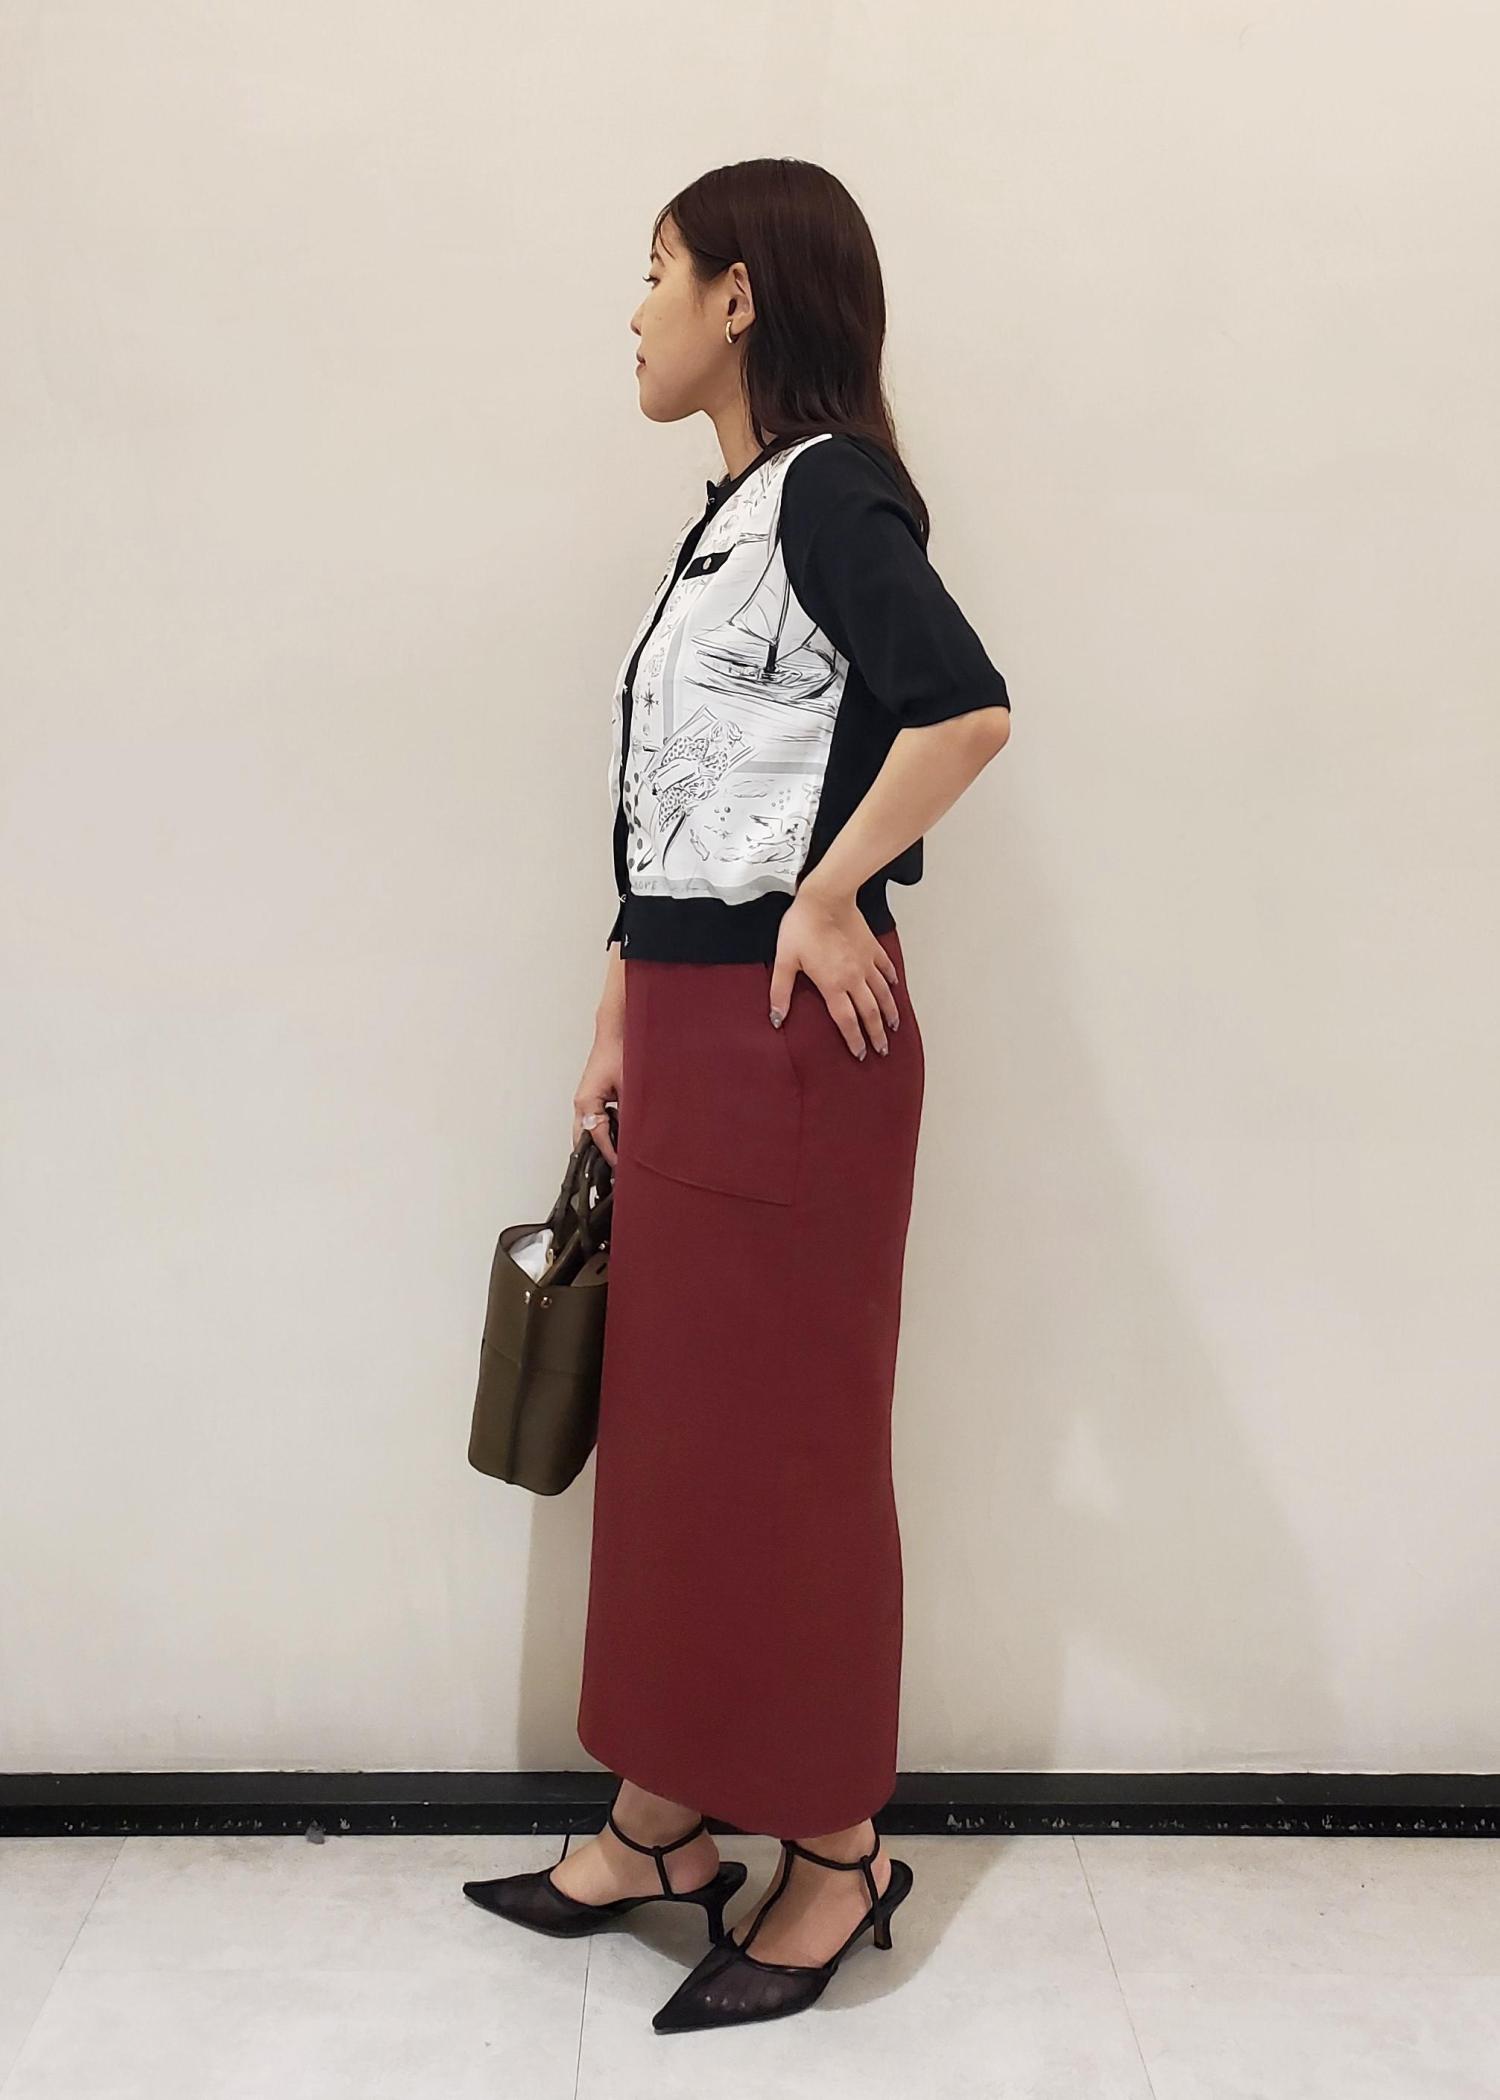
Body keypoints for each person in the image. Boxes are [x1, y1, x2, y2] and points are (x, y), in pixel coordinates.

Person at [463, 157, 1011, 2034]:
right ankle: (663, 1823)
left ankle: (839, 1854)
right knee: (678, 1441)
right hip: (696, 1032)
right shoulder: (728, 522)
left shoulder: (832, 492)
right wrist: (616, 1013)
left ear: (741, 295)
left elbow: (964, 706)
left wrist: (834, 889)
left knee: (790, 1455)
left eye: (657, 270)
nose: (636, 310)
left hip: (792, 1049)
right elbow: (676, 817)